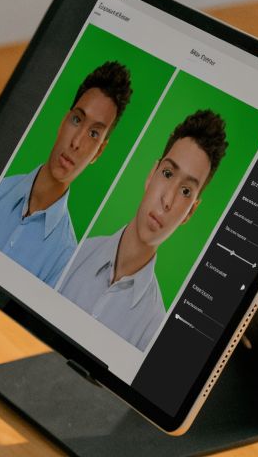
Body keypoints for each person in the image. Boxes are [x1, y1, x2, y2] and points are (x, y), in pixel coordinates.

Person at [57, 109, 228, 349]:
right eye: (167, 174)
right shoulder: (72, 253)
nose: (167, 200)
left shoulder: (154, 328)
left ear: (190, 212)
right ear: (151, 175)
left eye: (185, 191)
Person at [0, 61, 133, 286]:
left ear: (99, 152)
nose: (76, 142)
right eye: (77, 120)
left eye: (94, 134)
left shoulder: (65, 258)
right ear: (63, 122)